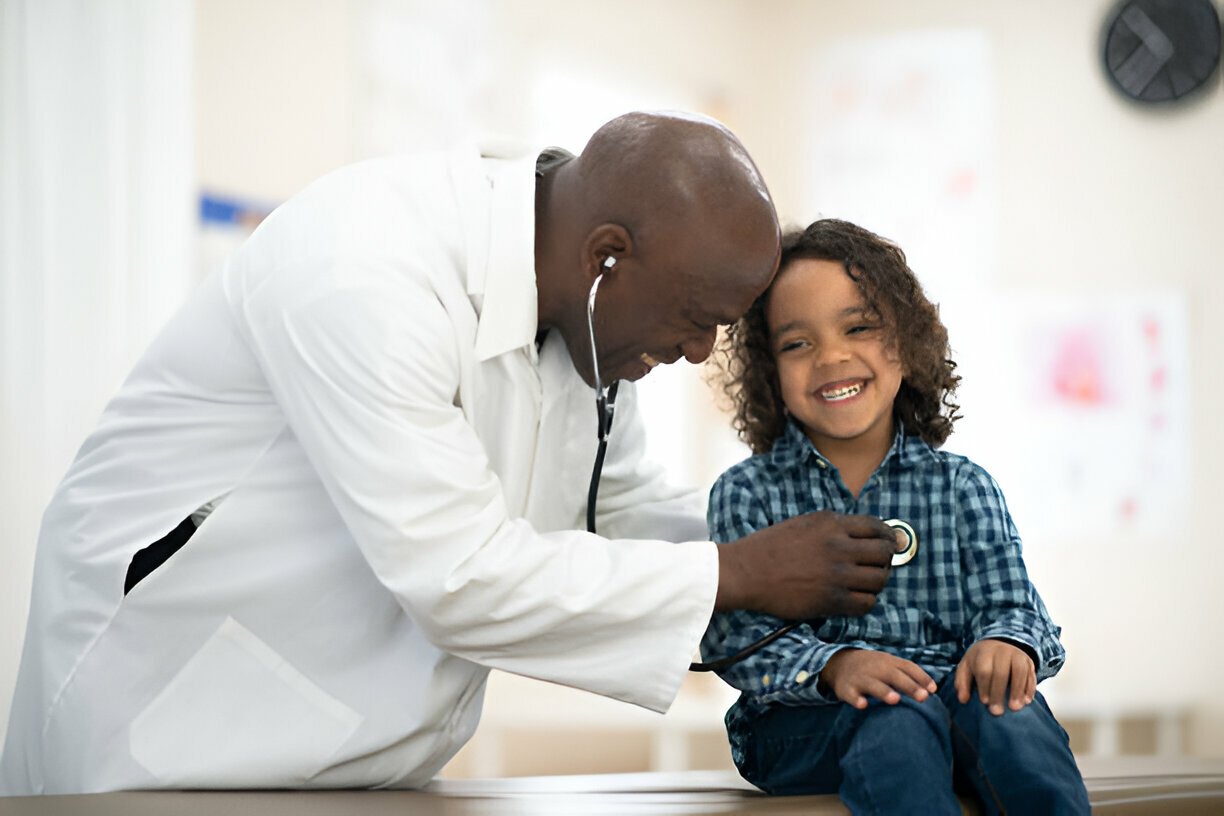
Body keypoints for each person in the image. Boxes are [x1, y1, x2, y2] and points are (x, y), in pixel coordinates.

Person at [0, 113, 901, 795]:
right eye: (695, 317)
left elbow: (619, 507)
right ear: (608, 257)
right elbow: (456, 574)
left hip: (362, 753)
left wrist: (816, 545)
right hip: (168, 729)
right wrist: (741, 575)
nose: (704, 351)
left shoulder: (585, 323)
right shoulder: (365, 271)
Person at [701, 219, 1090, 813]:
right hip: (801, 724)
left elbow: (1014, 607)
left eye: (858, 327)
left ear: (906, 344)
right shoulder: (745, 493)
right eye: (796, 344)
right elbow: (735, 638)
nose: (831, 356)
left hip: (951, 701)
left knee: (1010, 710)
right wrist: (836, 665)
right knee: (895, 716)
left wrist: (1007, 645)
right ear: (769, 372)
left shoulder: (964, 487)